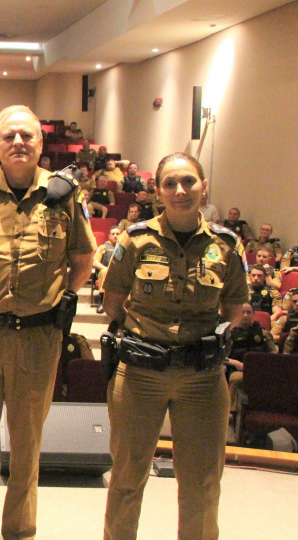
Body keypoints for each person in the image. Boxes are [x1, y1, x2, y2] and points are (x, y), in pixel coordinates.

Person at [0, 105, 95, 539]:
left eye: (27, 136)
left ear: (41, 144)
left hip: (37, 338)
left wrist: (55, 298)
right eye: (9, 136)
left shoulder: (64, 195)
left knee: (27, 449)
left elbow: (82, 259)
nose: (18, 143)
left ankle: (20, 533)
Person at [101, 152, 248, 540]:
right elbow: (113, 303)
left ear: (204, 186)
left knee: (202, 483)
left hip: (201, 378)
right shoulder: (134, 240)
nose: (180, 191)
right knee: (127, 479)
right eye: (170, 183)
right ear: (157, 190)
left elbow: (235, 307)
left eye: (188, 182)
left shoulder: (227, 245)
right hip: (139, 374)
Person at [225, 303, 276, 413]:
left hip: (260, 369)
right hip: (238, 370)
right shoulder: (229, 334)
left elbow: (273, 353)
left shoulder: (262, 333)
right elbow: (223, 357)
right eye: (242, 312)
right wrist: (236, 363)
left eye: (248, 312)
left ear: (253, 314)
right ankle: (231, 411)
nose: (245, 315)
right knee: (236, 379)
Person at [92, 227, 121, 312]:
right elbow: (94, 262)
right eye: (113, 234)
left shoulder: (124, 248)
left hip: (120, 273)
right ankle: (102, 303)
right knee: (104, 272)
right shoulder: (103, 247)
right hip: (106, 272)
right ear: (109, 236)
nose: (115, 236)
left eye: (117, 234)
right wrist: (106, 269)